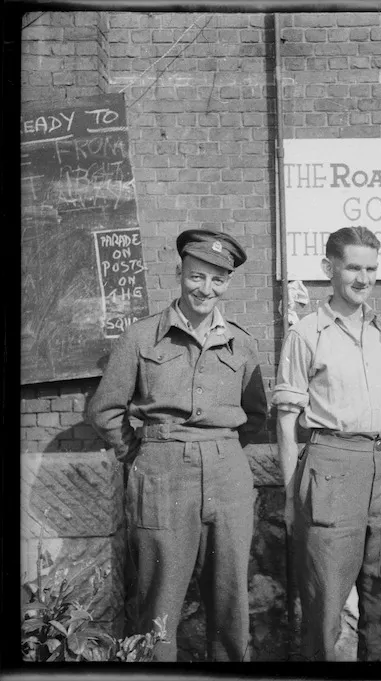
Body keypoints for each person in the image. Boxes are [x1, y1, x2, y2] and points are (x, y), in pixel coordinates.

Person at [88, 229, 267, 662]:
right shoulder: (142, 336)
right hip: (162, 474)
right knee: (159, 601)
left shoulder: (242, 343)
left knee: (230, 600)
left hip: (228, 476)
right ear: (180, 273)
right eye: (196, 276)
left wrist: (219, 449)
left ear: (227, 284)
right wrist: (142, 452)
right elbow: (106, 410)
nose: (206, 289)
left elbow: (256, 414)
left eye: (217, 280)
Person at [272, 226, 381, 661]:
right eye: (353, 267)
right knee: (324, 607)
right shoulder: (307, 333)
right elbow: (285, 418)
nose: (363, 278)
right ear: (328, 268)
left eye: (371, 268)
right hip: (331, 467)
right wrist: (292, 493)